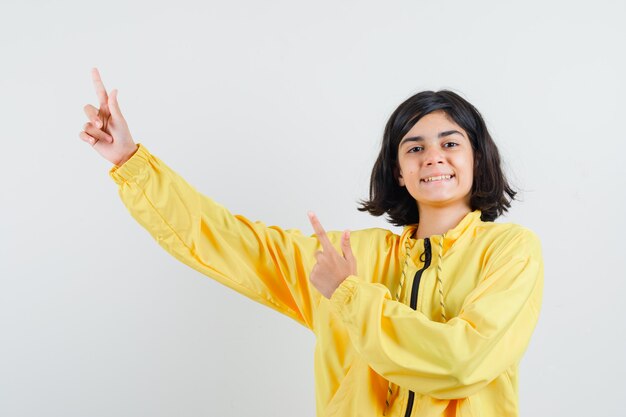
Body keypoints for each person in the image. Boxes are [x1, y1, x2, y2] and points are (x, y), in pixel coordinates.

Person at [79, 67, 543, 417]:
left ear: (477, 157)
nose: (433, 158)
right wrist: (130, 160)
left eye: (450, 143)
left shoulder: (510, 252)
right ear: (398, 172)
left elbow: (462, 362)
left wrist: (350, 295)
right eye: (415, 148)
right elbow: (228, 242)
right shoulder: (349, 257)